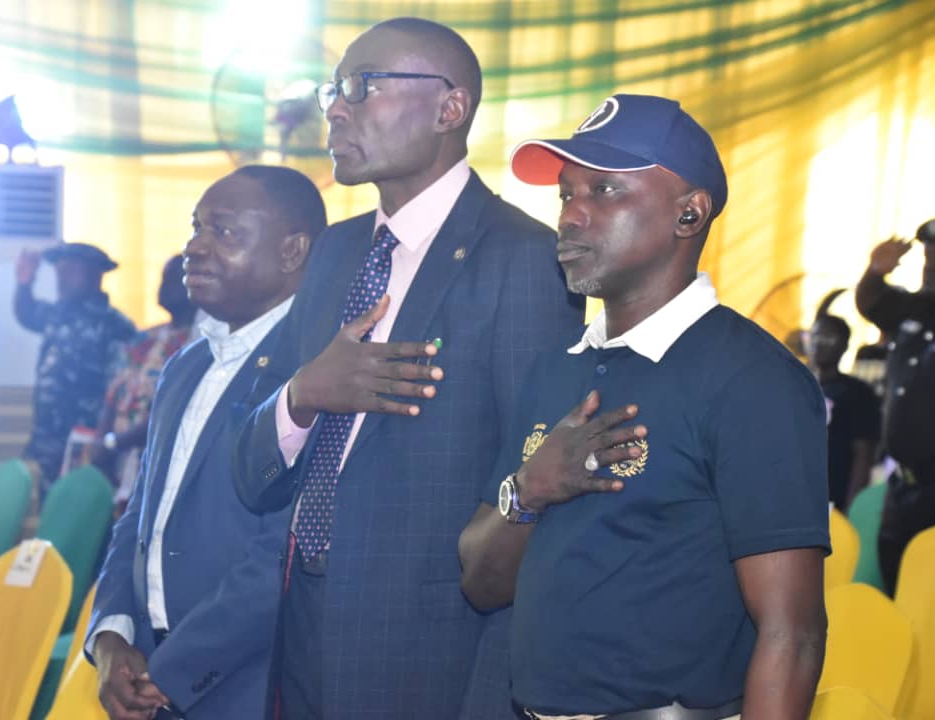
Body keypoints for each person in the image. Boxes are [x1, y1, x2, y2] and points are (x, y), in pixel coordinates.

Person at [232, 17, 583, 720]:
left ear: (449, 109)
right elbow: (251, 477)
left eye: (362, 87)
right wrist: (303, 398)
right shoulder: (333, 255)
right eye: (335, 89)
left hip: (433, 651)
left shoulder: (523, 259)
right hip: (301, 624)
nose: (334, 107)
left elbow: (533, 498)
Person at [459, 94, 830, 720]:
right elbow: (482, 583)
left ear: (690, 213)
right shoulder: (557, 369)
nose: (571, 217)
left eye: (603, 192)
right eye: (565, 194)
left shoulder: (753, 380)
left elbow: (791, 636)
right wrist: (529, 490)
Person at [86, 165, 326, 720]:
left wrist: (168, 672)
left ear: (292, 252)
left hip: (244, 685)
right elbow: (139, 517)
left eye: (224, 232)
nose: (195, 247)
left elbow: (279, 555)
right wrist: (113, 637)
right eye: (196, 228)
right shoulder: (185, 366)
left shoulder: (314, 372)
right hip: (146, 667)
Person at [855, 216, 935, 594]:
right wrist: (876, 272)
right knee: (900, 596)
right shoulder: (918, 309)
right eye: (929, 256)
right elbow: (873, 303)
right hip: (906, 492)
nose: (933, 266)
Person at [14, 242, 136, 491]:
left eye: (69, 271)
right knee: (48, 511)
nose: (61, 279)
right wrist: (24, 282)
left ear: (94, 274)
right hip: (47, 437)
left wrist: (104, 440)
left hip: (86, 440)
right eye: (59, 272)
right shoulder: (57, 313)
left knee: (79, 510)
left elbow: (122, 388)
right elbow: (26, 313)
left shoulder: (116, 326)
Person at [92, 254, 197, 506]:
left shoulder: (198, 344)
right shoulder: (145, 338)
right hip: (114, 462)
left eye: (174, 278)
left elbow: (174, 413)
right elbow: (113, 392)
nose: (164, 286)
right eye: (163, 278)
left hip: (155, 465)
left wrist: (114, 443)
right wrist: (103, 442)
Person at [804, 313, 880, 511]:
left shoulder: (858, 393)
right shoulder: (795, 386)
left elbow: (863, 454)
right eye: (815, 336)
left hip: (834, 500)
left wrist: (852, 507)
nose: (819, 343)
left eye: (829, 338)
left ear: (845, 346)